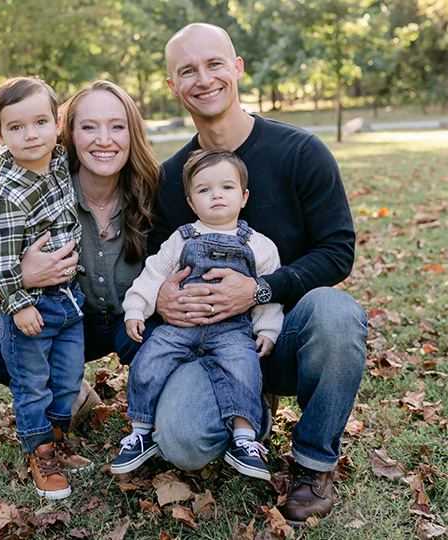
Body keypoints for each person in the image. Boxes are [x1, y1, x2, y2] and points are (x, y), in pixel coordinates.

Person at [145, 23, 368, 526]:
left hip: (285, 335)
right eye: (188, 71)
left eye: (214, 64)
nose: (203, 79)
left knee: (336, 313)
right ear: (173, 86)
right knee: (182, 443)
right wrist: (160, 297)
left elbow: (338, 252)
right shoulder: (171, 179)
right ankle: (251, 408)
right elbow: (159, 263)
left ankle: (313, 464)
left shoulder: (301, 152)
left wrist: (260, 289)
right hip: (208, 343)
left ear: (238, 68)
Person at [0, 78, 161, 468]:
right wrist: (24, 276)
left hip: (135, 325)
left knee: (165, 338)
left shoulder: (152, 192)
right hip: (67, 319)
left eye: (117, 126)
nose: (104, 140)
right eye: (89, 127)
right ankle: (70, 404)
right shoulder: (44, 195)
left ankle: (163, 409)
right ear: (69, 133)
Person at [111, 149, 283, 482]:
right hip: (180, 325)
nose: (216, 195)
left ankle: (245, 439)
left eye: (227, 188)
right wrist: (136, 307)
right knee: (150, 358)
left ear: (244, 197)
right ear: (191, 203)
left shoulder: (259, 246)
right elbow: (154, 274)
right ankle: (141, 431)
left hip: (232, 330)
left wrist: (268, 329)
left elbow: (267, 290)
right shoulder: (182, 238)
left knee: (244, 368)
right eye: (204, 190)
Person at [0, 76, 88, 500]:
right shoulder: (4, 194)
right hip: (31, 306)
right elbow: (1, 261)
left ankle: (57, 441)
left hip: (68, 300)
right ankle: (40, 451)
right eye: (16, 127)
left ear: (57, 124)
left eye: (41, 121)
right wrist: (18, 304)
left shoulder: (56, 162)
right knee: (32, 382)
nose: (31, 135)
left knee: (67, 377)